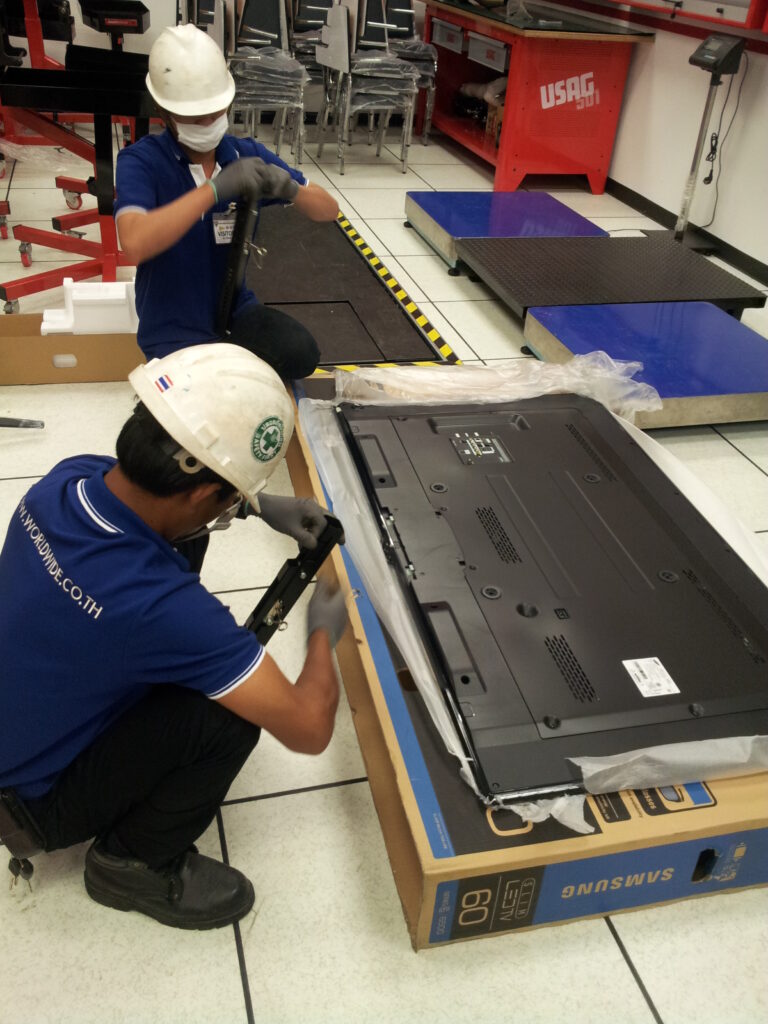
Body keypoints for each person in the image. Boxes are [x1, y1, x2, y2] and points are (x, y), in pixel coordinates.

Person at [0, 343, 348, 930]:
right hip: (29, 804)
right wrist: (321, 633)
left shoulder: (66, 480)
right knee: (224, 721)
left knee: (184, 538)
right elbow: (309, 729)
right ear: (204, 492)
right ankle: (130, 864)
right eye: (228, 497)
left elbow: (165, 495)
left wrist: (258, 505)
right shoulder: (165, 612)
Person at [114, 23, 339, 380]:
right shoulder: (141, 161)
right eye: (194, 117)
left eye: (216, 112)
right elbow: (134, 243)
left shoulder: (244, 154)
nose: (208, 123)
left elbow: (329, 210)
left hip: (234, 313)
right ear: (164, 111)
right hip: (171, 326)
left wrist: (291, 189)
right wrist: (214, 190)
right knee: (196, 404)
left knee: (301, 353)